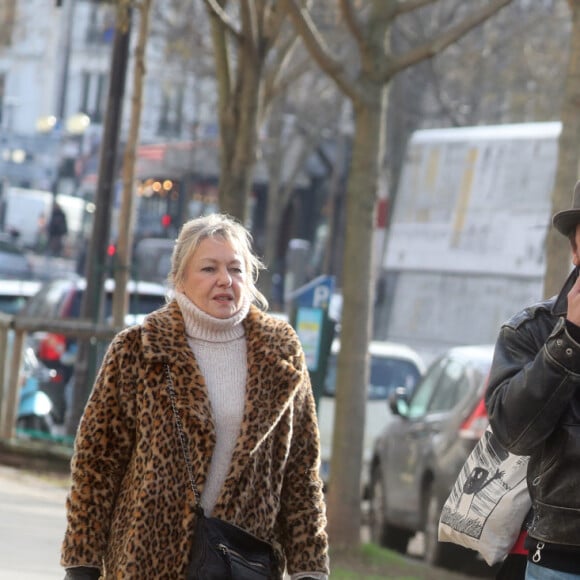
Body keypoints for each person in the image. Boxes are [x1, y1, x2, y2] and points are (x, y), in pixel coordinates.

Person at [60, 213, 329, 579]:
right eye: (209, 268)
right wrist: (82, 563)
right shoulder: (139, 349)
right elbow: (97, 465)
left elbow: (301, 473)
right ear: (180, 279)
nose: (225, 280)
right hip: (148, 563)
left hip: (244, 562)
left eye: (236, 269)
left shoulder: (280, 352)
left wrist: (309, 568)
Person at [486, 180, 580, 580]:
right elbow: (512, 433)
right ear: (576, 251)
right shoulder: (532, 331)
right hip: (560, 553)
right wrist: (570, 340)